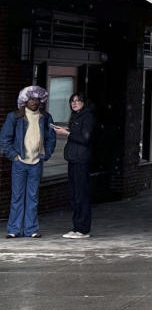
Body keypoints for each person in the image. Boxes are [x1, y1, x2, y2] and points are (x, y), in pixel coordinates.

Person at [1, 86, 57, 239]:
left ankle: (31, 229)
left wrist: (46, 154)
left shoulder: (46, 117)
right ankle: (14, 229)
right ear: (25, 100)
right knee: (17, 196)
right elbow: (5, 139)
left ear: (41, 100)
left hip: (36, 163)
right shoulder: (15, 117)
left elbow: (52, 138)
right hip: (19, 162)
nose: (34, 102)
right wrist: (14, 156)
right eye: (31, 99)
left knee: (32, 197)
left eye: (37, 99)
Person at [53, 93, 95, 238]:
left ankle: (83, 229)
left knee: (81, 194)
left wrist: (67, 134)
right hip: (74, 159)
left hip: (81, 160)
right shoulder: (76, 117)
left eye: (78, 101)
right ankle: (77, 227)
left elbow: (85, 138)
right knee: (75, 194)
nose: (74, 103)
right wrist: (68, 131)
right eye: (72, 101)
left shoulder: (87, 117)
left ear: (84, 103)